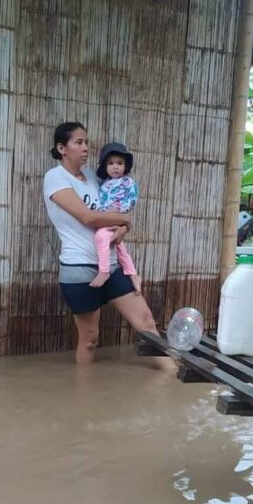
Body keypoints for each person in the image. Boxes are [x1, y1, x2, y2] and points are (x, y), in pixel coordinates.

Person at [42, 121, 169, 366]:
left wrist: (123, 227)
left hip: (111, 265)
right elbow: (88, 217)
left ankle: (173, 378)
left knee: (146, 323)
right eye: (79, 142)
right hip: (79, 268)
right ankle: (84, 398)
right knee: (89, 339)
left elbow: (114, 208)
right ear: (61, 148)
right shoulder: (54, 177)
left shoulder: (93, 177)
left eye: (87, 142)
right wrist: (125, 220)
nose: (86, 147)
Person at [90, 142, 141, 293]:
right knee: (120, 249)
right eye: (111, 163)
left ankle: (104, 270)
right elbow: (101, 201)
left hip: (117, 217)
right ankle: (133, 275)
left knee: (101, 237)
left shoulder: (128, 182)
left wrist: (120, 211)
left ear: (125, 166)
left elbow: (132, 198)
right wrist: (104, 213)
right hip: (107, 218)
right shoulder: (104, 184)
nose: (115, 167)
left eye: (120, 163)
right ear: (105, 167)